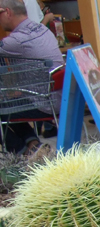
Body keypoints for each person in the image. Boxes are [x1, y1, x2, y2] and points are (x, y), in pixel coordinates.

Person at [0, 0, 63, 154]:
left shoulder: (17, 40)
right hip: (60, 98)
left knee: (6, 106)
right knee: (7, 104)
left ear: (7, 12)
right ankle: (34, 145)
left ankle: (23, 153)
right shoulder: (42, 29)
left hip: (43, 103)